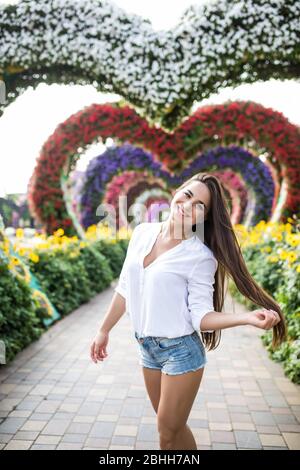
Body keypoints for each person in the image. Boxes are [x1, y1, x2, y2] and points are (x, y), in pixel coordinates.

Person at [90, 172, 286, 450]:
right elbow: (125, 287)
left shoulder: (199, 257)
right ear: (177, 192)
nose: (188, 205)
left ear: (203, 218)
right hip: (147, 347)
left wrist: (246, 318)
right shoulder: (142, 232)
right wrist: (103, 329)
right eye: (187, 195)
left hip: (180, 352)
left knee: (167, 430)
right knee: (170, 430)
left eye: (199, 206)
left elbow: (202, 318)